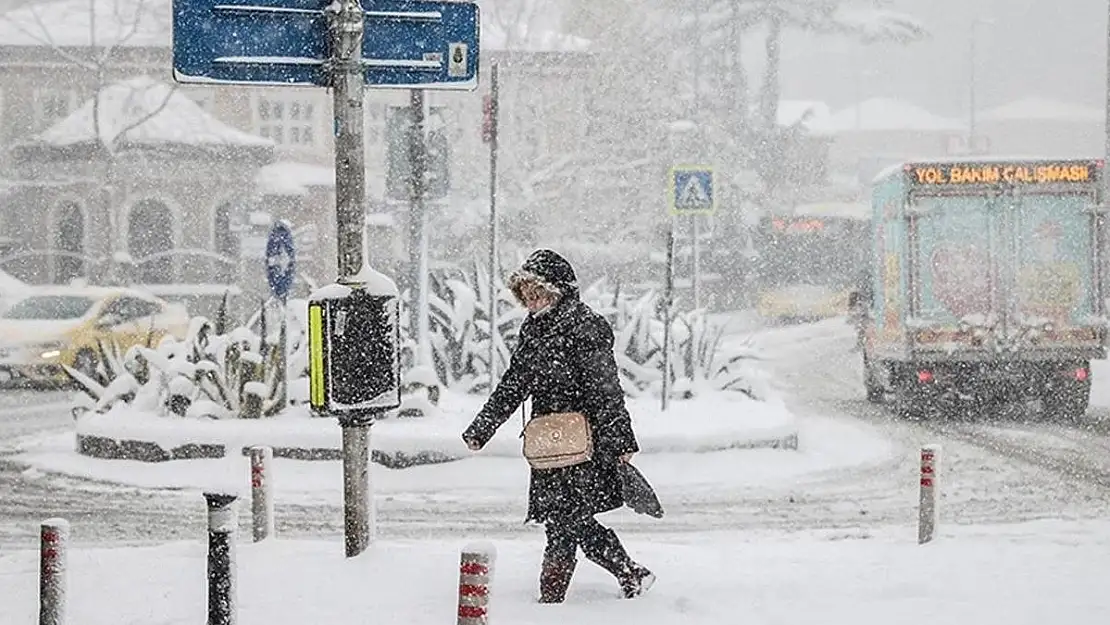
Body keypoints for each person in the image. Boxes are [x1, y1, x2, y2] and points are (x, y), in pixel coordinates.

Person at [461, 249, 655, 603]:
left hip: (585, 442)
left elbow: (605, 389)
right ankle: (627, 573)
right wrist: (481, 428)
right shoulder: (534, 330)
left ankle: (553, 600)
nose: (532, 302)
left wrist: (621, 440)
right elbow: (514, 383)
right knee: (565, 520)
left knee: (566, 521)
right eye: (527, 295)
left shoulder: (585, 326)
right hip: (550, 444)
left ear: (559, 290)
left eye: (539, 294)